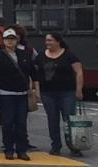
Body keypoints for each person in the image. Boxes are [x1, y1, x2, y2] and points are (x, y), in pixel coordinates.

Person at [36, 27, 84, 158]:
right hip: (47, 93)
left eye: (50, 40)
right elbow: (36, 74)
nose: (47, 43)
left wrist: (79, 90)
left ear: (58, 41)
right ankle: (55, 146)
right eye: (46, 40)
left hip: (67, 92)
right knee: (52, 119)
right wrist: (37, 90)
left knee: (69, 119)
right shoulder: (41, 56)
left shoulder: (69, 55)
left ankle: (74, 146)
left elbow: (79, 72)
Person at [0, 26, 34, 160]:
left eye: (12, 38)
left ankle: (21, 150)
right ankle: (8, 149)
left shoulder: (24, 55)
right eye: (7, 39)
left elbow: (32, 73)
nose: (10, 41)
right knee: (8, 122)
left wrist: (33, 89)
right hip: (5, 94)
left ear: (16, 40)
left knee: (21, 123)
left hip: (22, 94)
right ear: (3, 41)